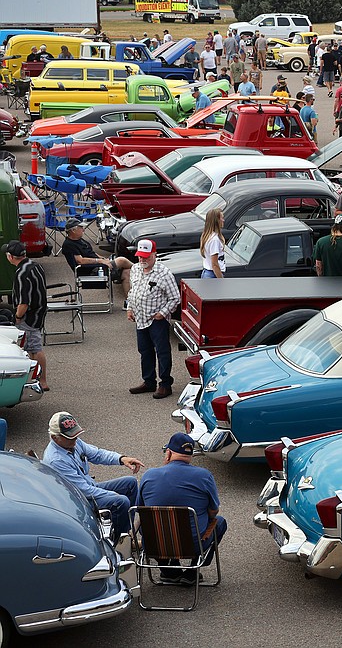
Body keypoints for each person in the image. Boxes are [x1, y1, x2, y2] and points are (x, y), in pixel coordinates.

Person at [138, 432, 227, 582]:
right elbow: (213, 511)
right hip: (191, 546)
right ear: (190, 455)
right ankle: (193, 570)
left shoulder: (149, 475)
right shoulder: (204, 476)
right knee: (220, 521)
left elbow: (141, 509)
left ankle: (168, 570)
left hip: (154, 544)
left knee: (152, 522)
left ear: (168, 453)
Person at [42, 412, 144, 539]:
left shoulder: (73, 442)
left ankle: (126, 532)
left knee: (130, 483)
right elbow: (83, 490)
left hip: (87, 487)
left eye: (75, 435)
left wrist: (122, 459)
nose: (75, 439)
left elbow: (97, 454)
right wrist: (112, 494)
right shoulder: (55, 460)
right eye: (70, 437)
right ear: (54, 437)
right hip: (78, 500)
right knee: (121, 501)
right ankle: (118, 543)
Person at [127, 239, 180, 399]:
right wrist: (129, 307)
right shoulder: (135, 269)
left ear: (154, 255)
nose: (142, 260)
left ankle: (165, 384)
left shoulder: (164, 273)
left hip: (157, 319)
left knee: (162, 351)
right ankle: (149, 381)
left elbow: (175, 298)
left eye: (146, 257)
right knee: (144, 350)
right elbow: (132, 291)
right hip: (140, 318)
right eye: (140, 257)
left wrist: (162, 313)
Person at [7, 240, 47, 391]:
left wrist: (17, 317)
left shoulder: (21, 273)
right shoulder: (35, 265)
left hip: (29, 316)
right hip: (40, 312)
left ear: (10, 256)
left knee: (34, 349)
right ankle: (37, 378)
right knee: (33, 348)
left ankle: (42, 381)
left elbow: (24, 301)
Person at [61, 217, 132, 296]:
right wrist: (99, 261)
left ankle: (128, 303)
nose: (83, 229)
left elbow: (91, 252)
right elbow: (80, 261)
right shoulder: (69, 245)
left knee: (126, 273)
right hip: (90, 271)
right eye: (81, 228)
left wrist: (103, 258)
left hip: (98, 266)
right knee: (122, 260)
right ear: (73, 230)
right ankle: (141, 270)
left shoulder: (79, 240)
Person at [199, 208, 226, 279]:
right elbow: (214, 264)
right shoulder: (214, 240)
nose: (223, 220)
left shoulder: (206, 235)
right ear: (216, 221)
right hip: (213, 275)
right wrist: (221, 279)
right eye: (222, 218)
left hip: (207, 272)